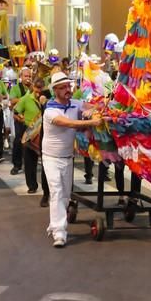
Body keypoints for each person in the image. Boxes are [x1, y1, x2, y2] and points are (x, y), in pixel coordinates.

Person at [43, 72, 102, 248]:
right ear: (55, 90)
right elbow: (69, 123)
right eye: (63, 87)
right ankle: (59, 233)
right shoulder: (50, 110)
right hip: (51, 158)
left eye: (69, 86)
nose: (68, 90)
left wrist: (96, 109)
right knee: (57, 192)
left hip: (68, 157)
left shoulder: (75, 104)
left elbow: (94, 106)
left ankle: (55, 223)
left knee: (66, 195)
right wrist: (91, 123)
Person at [15, 77, 49, 197]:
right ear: (33, 87)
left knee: (46, 162)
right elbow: (16, 112)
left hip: (45, 133)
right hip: (30, 132)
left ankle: (46, 188)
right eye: (36, 88)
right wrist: (21, 118)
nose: (38, 91)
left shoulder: (48, 100)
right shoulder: (25, 99)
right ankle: (32, 185)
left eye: (41, 88)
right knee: (29, 161)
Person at [9, 67, 32, 174]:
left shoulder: (32, 88)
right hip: (19, 117)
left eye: (29, 76)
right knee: (18, 140)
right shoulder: (15, 88)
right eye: (26, 76)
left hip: (31, 119)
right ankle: (16, 165)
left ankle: (29, 164)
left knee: (30, 142)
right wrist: (25, 98)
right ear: (21, 77)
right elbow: (12, 101)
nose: (28, 78)